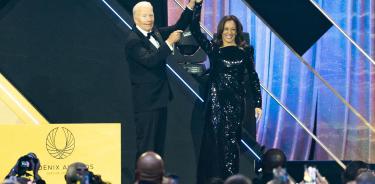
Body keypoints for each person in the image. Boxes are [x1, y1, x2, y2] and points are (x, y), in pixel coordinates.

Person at [190, 1, 262, 183]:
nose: (229, 33)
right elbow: (195, 29)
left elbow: (253, 77)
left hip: (236, 105)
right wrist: (197, 5)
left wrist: (258, 103)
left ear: (237, 32)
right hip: (216, 103)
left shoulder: (245, 51)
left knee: (231, 146)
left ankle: (231, 180)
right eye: (226, 29)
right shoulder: (214, 49)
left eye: (233, 30)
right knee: (214, 145)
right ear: (221, 31)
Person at [125, 0, 197, 159]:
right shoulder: (133, 41)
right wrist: (169, 42)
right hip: (146, 104)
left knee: (158, 149)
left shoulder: (155, 32)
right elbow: (150, 60)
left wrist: (191, 5)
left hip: (160, 100)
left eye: (151, 14)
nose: (149, 18)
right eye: (145, 15)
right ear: (136, 18)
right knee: (146, 149)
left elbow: (177, 27)